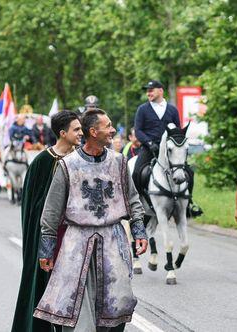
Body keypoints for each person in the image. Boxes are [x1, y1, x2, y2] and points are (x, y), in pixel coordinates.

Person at [33, 108, 148, 330]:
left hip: (113, 244)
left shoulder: (119, 162)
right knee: (76, 311)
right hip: (76, 246)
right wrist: (46, 248)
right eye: (108, 126)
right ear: (93, 132)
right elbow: (52, 210)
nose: (113, 130)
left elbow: (133, 200)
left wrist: (139, 231)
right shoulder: (68, 165)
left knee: (111, 311)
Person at [11, 111, 82, 332]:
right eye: (76, 129)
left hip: (77, 236)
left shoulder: (81, 158)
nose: (81, 133)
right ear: (63, 133)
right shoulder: (42, 162)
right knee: (45, 287)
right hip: (51, 237)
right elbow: (33, 208)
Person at [133, 79, 202, 217]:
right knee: (136, 172)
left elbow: (178, 130)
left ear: (160, 91)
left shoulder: (172, 110)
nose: (148, 93)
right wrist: (148, 142)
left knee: (189, 172)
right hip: (149, 148)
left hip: (170, 150)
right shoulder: (142, 109)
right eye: (147, 90)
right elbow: (138, 130)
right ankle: (135, 204)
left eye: (151, 90)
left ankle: (189, 204)